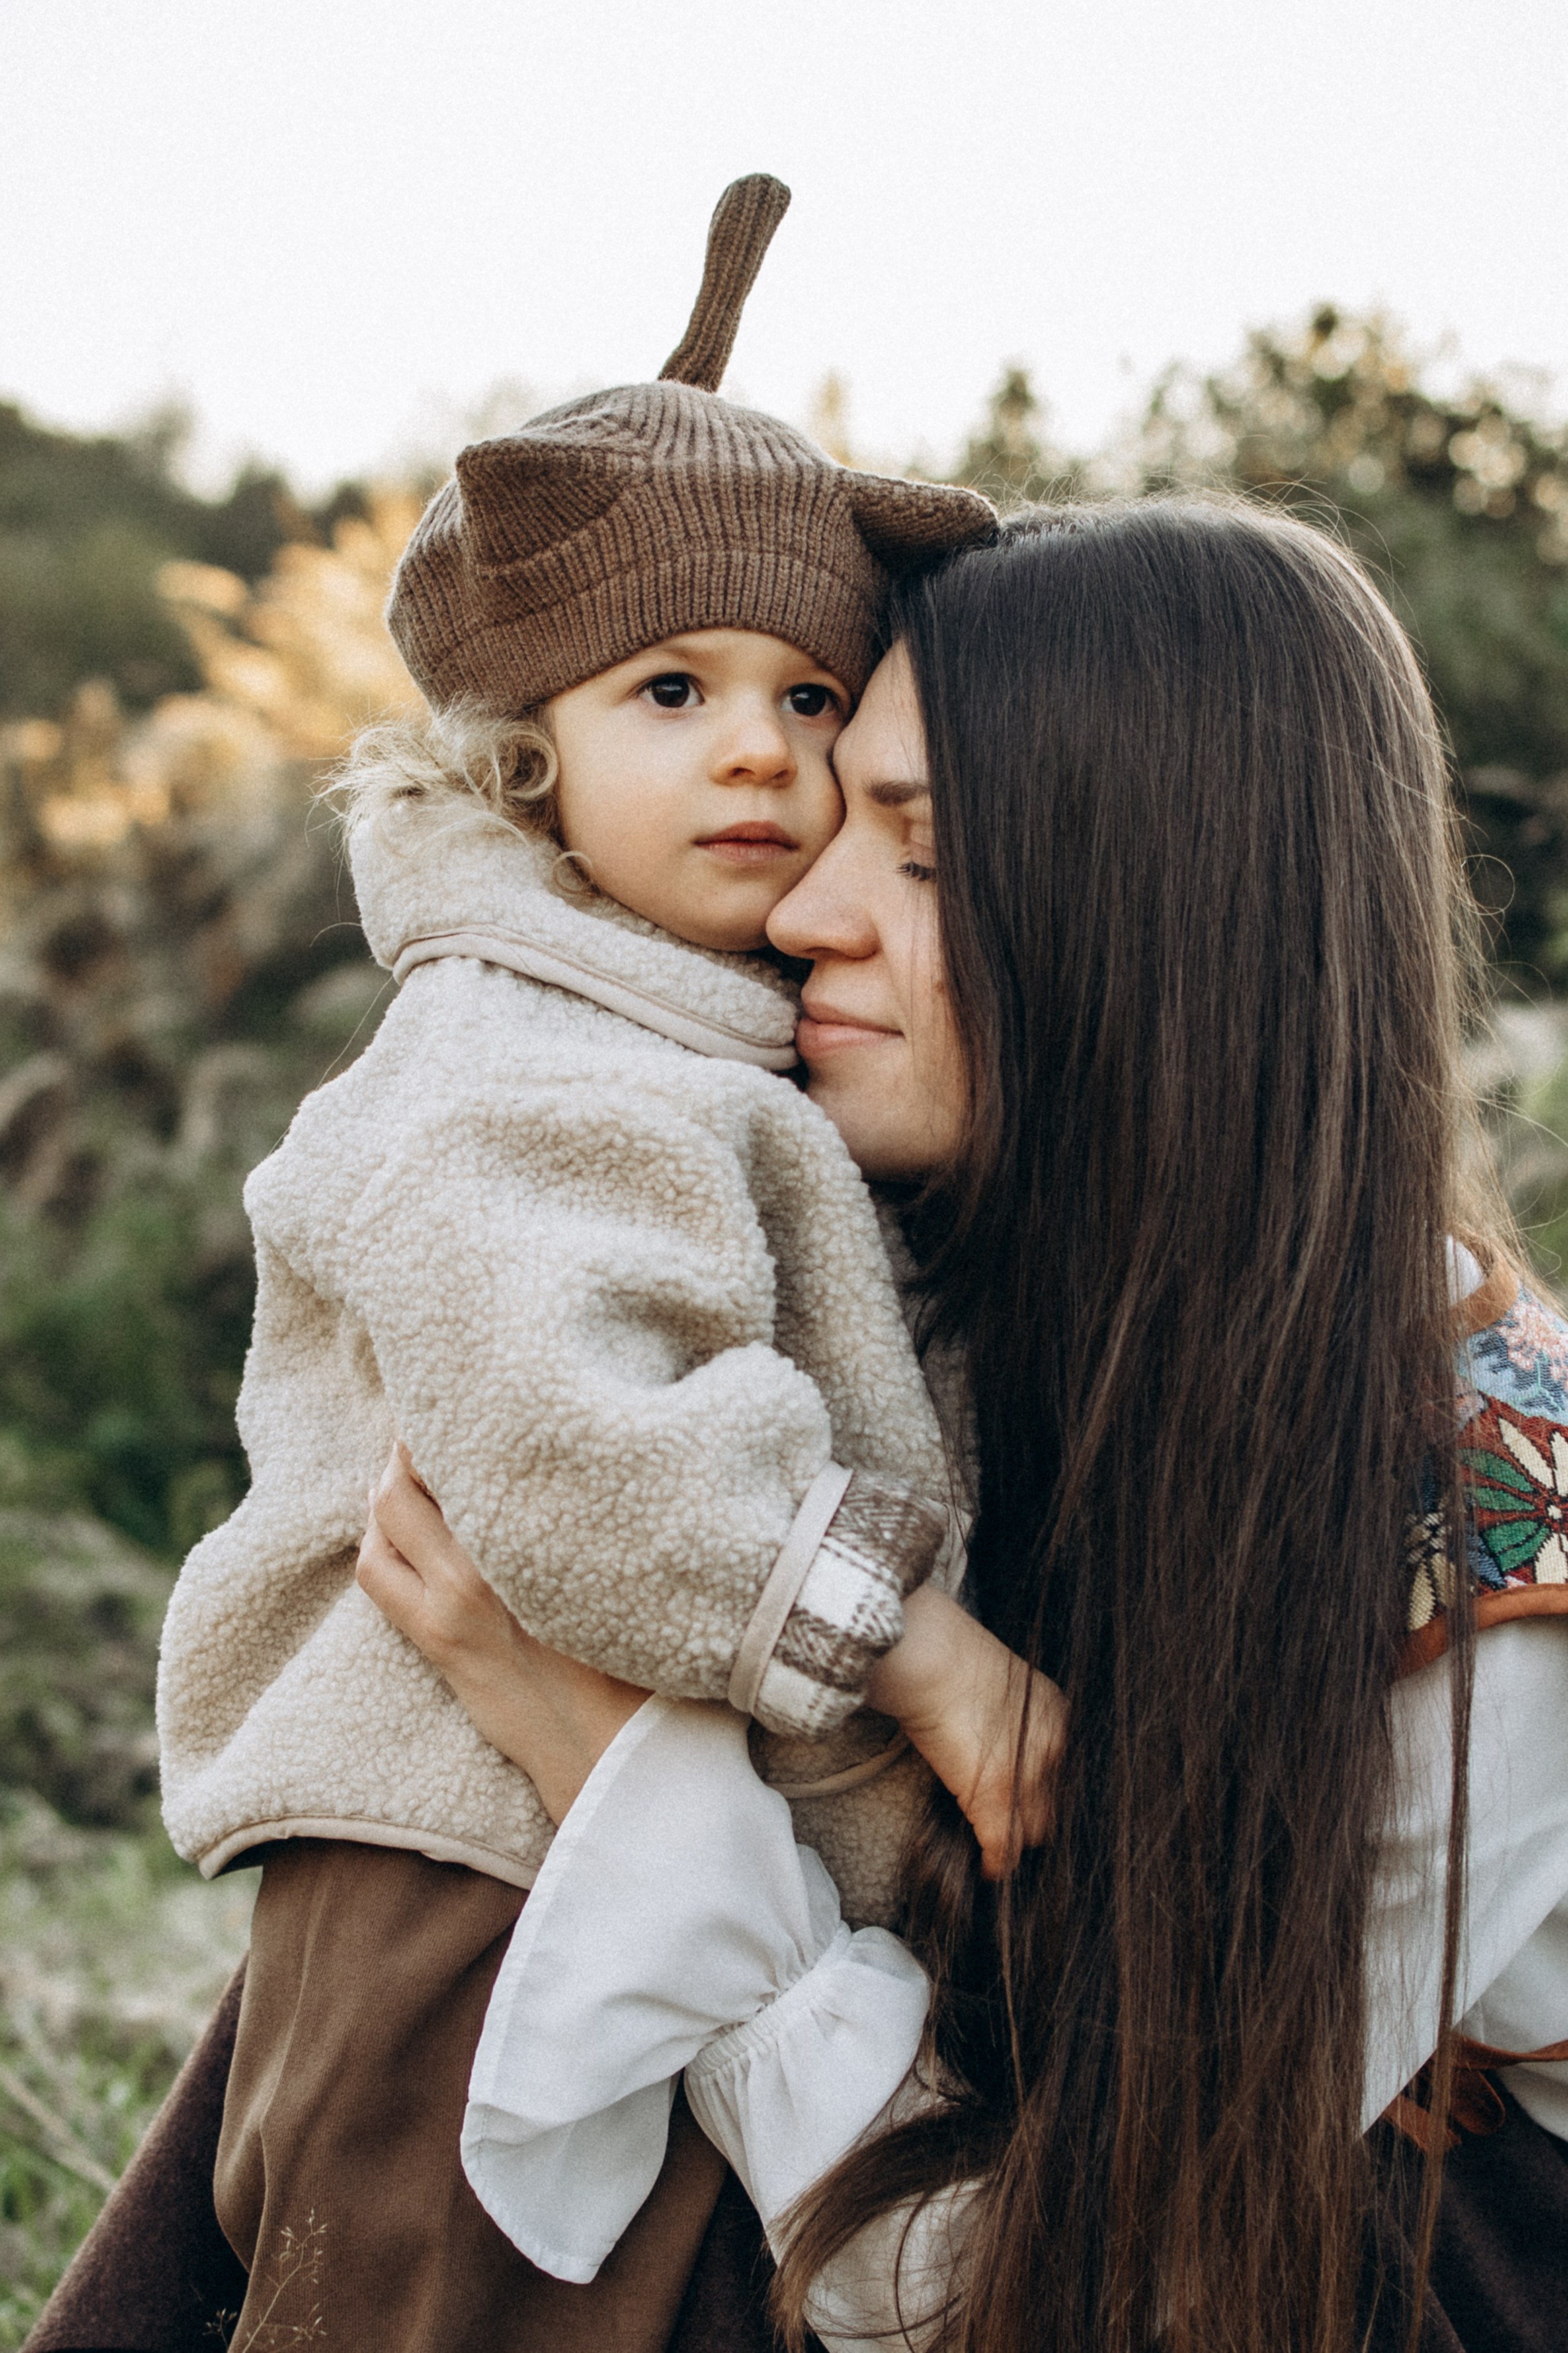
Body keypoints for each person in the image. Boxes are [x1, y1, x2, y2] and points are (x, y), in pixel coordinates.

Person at [358, 500, 1568, 2353]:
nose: (798, 908)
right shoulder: (956, 1322)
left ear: (1160, 921)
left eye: (917, 855)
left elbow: (1035, 2306)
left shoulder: (1502, 1551)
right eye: (836, 822)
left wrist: (627, 1780)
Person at [148, 173, 996, 2352]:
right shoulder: (512, 1047)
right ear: (527, 761)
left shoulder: (690, 1033)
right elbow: (576, 1454)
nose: (759, 747)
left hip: (593, 1846)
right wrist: (922, 1661)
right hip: (461, 1883)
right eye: (672, 689)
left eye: (815, 695)